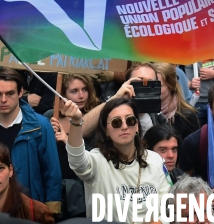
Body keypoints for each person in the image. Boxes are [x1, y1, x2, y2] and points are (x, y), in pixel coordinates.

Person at [62, 95, 170, 224]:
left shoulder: (155, 160)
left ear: (137, 127)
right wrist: (76, 122)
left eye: (130, 120)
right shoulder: (97, 160)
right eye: (116, 122)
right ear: (106, 130)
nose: (124, 126)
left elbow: (168, 203)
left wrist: (159, 221)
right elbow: (77, 160)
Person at [0, 68, 61, 211]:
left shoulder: (41, 126)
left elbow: (52, 172)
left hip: (31, 208)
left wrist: (50, 210)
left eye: (10, 93)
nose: (3, 100)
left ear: (20, 92)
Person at [45, 74, 100, 220]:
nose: (81, 96)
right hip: (56, 187)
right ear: (62, 94)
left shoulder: (94, 118)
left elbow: (97, 156)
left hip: (82, 188)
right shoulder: (51, 116)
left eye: (84, 89)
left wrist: (68, 139)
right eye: (74, 91)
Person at [153, 63, 199, 140]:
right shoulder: (145, 113)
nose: (154, 89)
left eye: (158, 85)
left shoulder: (187, 116)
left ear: (170, 86)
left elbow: (193, 148)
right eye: (151, 84)